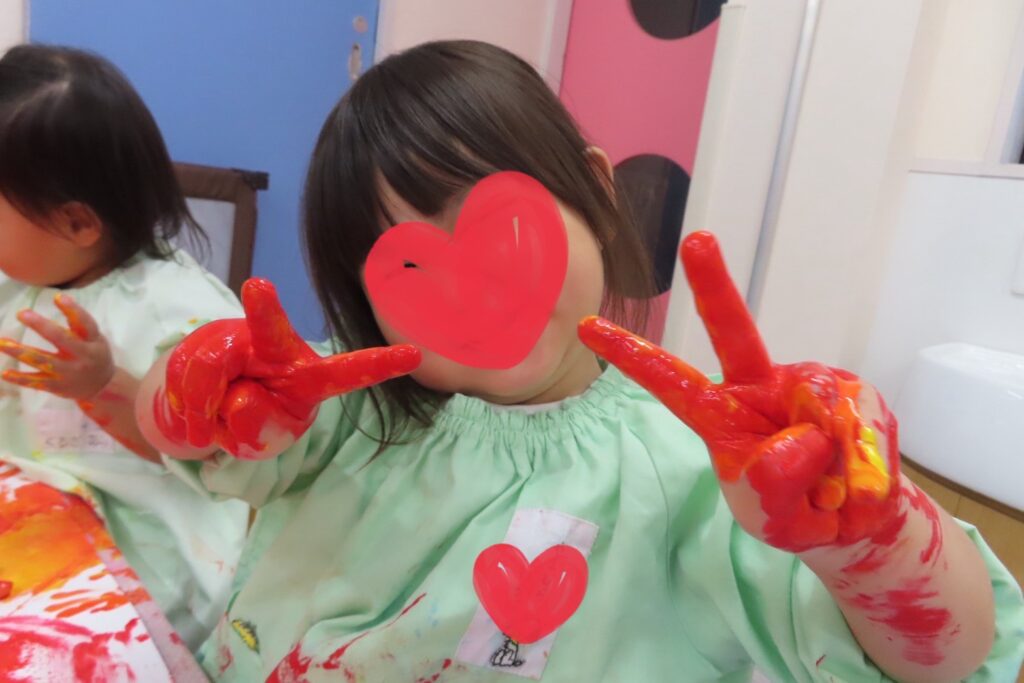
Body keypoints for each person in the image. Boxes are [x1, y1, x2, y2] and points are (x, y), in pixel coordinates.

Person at [139, 41, 1024, 681]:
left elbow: (948, 658)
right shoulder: (342, 407)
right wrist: (185, 394)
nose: (470, 291)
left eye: (498, 223)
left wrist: (872, 539)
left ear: (597, 192)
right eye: (408, 268)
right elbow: (175, 436)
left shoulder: (704, 472)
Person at [0, 44, 248, 649]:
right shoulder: (24, 280)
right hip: (32, 514)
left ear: (78, 224)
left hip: (143, 555)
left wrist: (103, 385)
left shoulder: (178, 312)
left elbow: (220, 452)